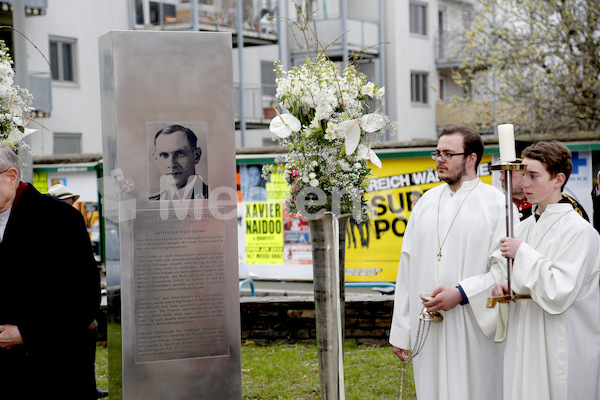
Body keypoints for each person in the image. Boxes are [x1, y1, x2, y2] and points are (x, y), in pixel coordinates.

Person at [389, 125, 509, 400]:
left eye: (448, 153)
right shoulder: (426, 203)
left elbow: (504, 270)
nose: (440, 159)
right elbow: (406, 268)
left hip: (472, 326)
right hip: (428, 325)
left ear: (471, 159)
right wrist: (401, 331)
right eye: (437, 153)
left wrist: (462, 293)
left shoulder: (497, 204)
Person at [491, 141, 600, 399]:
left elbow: (558, 291)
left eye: (533, 176)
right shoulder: (523, 228)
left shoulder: (579, 231)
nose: (524, 184)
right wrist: (507, 285)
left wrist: (522, 253)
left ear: (558, 179)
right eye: (522, 175)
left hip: (560, 343)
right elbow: (523, 280)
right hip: (525, 338)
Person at [0, 143, 101, 399]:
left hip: (52, 371)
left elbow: (85, 299)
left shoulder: (59, 218)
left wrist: (26, 333)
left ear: (11, 177)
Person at [47, 184, 108, 399]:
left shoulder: (73, 223)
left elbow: (86, 269)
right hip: (64, 314)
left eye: (71, 203)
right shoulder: (48, 228)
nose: (69, 207)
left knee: (84, 355)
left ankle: (89, 388)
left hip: (79, 312)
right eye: (66, 202)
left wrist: (88, 313)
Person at [499, 140, 589, 221]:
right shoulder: (498, 206)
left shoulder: (570, 211)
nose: (501, 178)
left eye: (533, 175)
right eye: (501, 172)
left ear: (558, 180)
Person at [150, 124, 209, 200]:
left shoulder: (214, 197)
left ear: (196, 156)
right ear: (156, 159)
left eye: (179, 154)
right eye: (164, 155)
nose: (171, 164)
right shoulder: (150, 203)